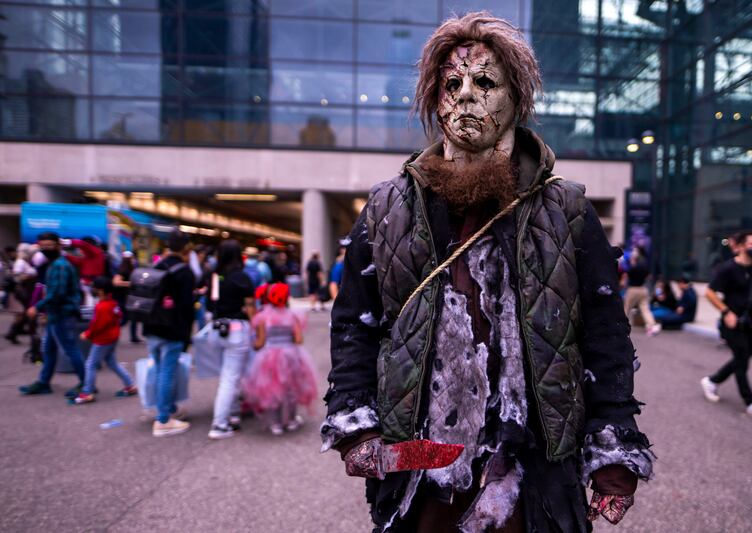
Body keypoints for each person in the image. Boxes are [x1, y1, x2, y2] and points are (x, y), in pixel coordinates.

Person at [321, 13, 653, 532]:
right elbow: (355, 326)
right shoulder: (387, 211)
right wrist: (355, 427)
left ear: (516, 101)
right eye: (452, 83)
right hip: (420, 478)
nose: (466, 96)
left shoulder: (566, 211)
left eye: (486, 82)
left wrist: (613, 451)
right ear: (434, 99)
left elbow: (605, 336)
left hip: (535, 472)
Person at [701, 231, 752, 420]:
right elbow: (709, 292)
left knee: (743, 357)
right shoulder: (728, 269)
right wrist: (726, 312)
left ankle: (712, 380)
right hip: (732, 324)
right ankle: (751, 402)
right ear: (740, 246)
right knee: (742, 360)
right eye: (751, 243)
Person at [244, 282, 317, 435]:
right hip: (290, 356)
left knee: (272, 390)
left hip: (269, 356)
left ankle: (276, 424)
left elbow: (260, 342)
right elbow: (298, 340)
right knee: (291, 390)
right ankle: (290, 421)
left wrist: (254, 345)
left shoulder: (263, 316)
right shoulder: (293, 315)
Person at [19, 232, 86, 397]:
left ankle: (86, 384)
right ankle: (44, 383)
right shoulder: (54, 263)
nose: (46, 248)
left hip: (63, 314)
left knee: (70, 349)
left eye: (50, 245)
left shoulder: (60, 266)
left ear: (58, 245)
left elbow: (58, 293)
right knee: (49, 349)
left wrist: (37, 307)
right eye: (43, 246)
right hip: (55, 314)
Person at [143, 231, 196, 437]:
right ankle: (163, 419)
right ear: (186, 249)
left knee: (158, 370)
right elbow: (186, 307)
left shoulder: (158, 266)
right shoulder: (185, 272)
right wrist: (186, 335)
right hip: (171, 329)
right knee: (167, 372)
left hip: (152, 327)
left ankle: (169, 409)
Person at [204, 239, 256, 440]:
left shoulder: (215, 277)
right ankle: (219, 424)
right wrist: (258, 328)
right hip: (236, 330)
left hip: (216, 330)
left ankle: (233, 415)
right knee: (231, 378)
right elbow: (250, 306)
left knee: (229, 375)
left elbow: (210, 304)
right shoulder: (241, 278)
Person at [73, 277, 137, 404]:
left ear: (101, 291)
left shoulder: (101, 307)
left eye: (95, 288)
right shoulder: (113, 304)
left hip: (103, 340)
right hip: (112, 338)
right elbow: (118, 317)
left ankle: (87, 392)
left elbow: (97, 325)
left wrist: (87, 334)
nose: (93, 290)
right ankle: (130, 385)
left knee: (90, 364)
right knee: (112, 363)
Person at [623, 246, 661, 336]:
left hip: (633, 289)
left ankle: (621, 326)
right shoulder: (645, 266)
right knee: (645, 309)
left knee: (626, 308)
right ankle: (652, 326)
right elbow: (649, 276)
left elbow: (626, 278)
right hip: (643, 289)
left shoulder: (632, 268)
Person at [4, 244, 38, 345]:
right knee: (20, 313)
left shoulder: (23, 262)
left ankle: (13, 333)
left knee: (22, 313)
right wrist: (29, 276)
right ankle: (12, 333)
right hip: (19, 292)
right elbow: (17, 277)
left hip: (23, 291)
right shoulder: (20, 262)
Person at [112, 251, 141, 343]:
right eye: (132, 258)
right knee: (125, 319)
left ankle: (134, 337)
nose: (134, 260)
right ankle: (110, 332)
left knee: (133, 318)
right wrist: (130, 284)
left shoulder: (132, 269)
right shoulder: (123, 270)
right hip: (123, 298)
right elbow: (116, 282)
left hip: (129, 297)